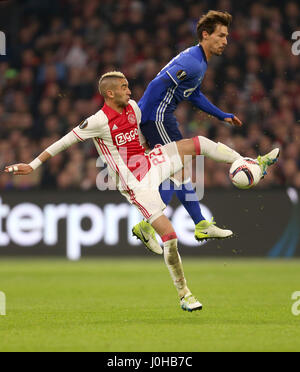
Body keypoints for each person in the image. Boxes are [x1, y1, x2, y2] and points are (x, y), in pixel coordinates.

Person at [5, 72, 279, 312]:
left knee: (198, 143)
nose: (129, 90)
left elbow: (140, 137)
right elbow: (63, 142)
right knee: (170, 237)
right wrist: (32, 164)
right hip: (134, 183)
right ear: (110, 93)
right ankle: (184, 293)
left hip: (149, 161)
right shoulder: (98, 121)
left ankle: (249, 162)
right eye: (124, 87)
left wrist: (161, 152)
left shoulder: (133, 108)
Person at [133, 10, 246, 245]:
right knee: (175, 168)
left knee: (178, 170)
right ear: (205, 35)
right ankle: (148, 225)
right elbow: (157, 84)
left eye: (227, 37)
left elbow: (193, 95)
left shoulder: (198, 60)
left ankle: (199, 224)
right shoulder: (193, 62)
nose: (225, 41)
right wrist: (145, 117)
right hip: (158, 118)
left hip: (158, 118)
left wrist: (222, 115)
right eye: (221, 35)